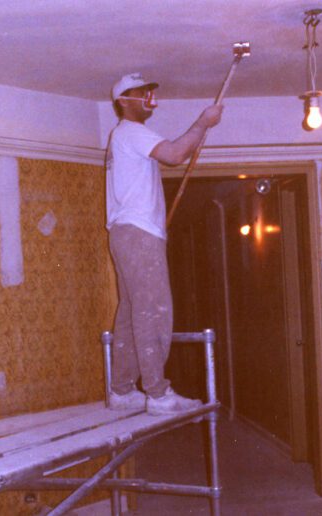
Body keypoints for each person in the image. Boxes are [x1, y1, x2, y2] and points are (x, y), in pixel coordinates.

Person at [106, 72, 223, 415]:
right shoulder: (131, 131)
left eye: (149, 92)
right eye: (141, 93)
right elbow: (174, 154)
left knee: (131, 311)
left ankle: (123, 388)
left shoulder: (121, 137)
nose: (148, 98)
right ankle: (157, 394)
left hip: (128, 232)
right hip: (138, 234)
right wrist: (203, 123)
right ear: (123, 101)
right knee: (154, 310)